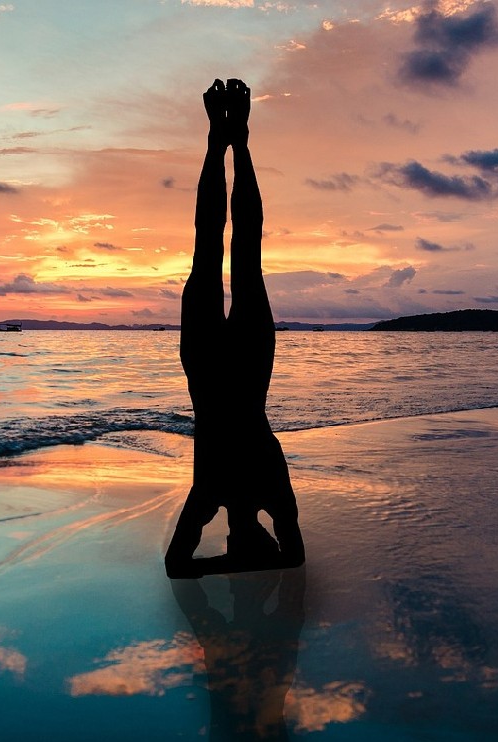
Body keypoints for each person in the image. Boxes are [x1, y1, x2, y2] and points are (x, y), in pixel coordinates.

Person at [164, 79, 304, 579]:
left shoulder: (259, 490)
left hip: (234, 366)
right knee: (229, 252)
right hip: (220, 367)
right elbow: (180, 566)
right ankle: (227, 140)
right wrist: (236, 561)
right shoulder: (211, 494)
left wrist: (243, 561)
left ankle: (228, 141)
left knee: (235, 252)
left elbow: (291, 556)